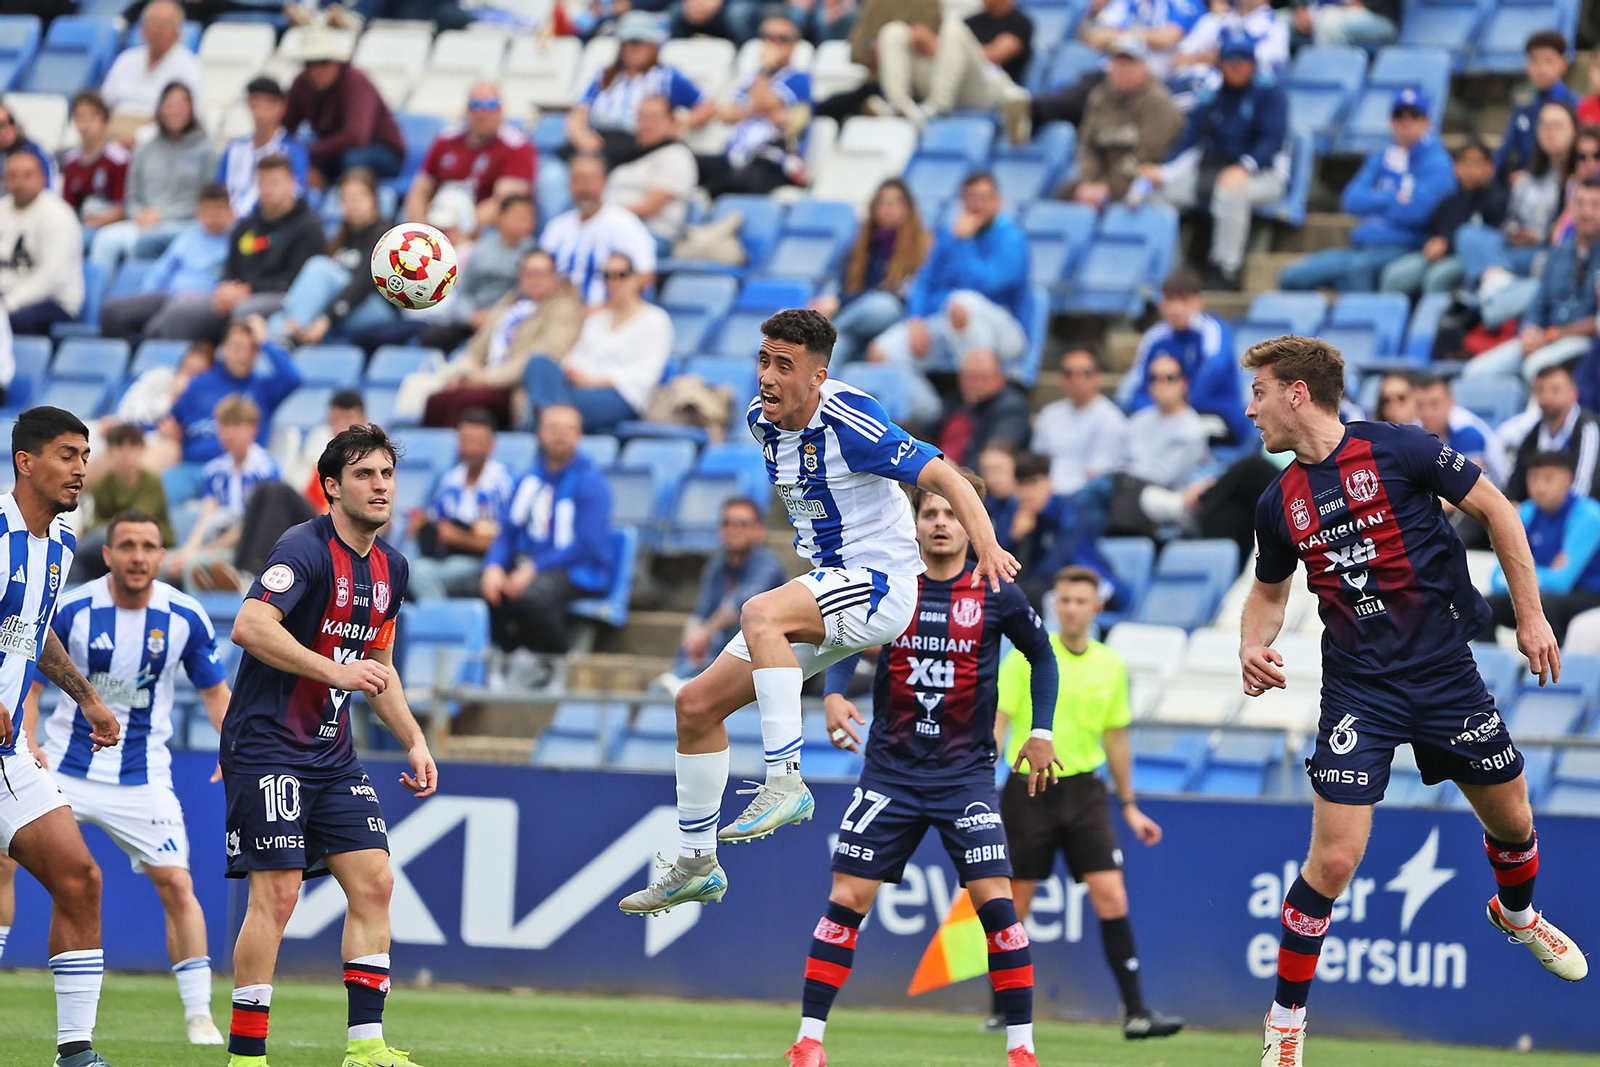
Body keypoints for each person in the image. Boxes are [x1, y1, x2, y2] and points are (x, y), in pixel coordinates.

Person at [1239, 334, 1585, 1067]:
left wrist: (1529, 615)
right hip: (1360, 691)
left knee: (1514, 819)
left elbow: (1498, 508)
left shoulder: (1398, 449)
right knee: (1332, 861)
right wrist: (1251, 642)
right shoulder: (1279, 501)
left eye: (1260, 393)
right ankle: (1284, 1030)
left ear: (1296, 393)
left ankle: (1517, 914)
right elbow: (1269, 592)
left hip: (1444, 675)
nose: (1250, 411)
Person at [617, 309, 1019, 915]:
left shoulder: (851, 418)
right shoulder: (762, 422)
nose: (768, 377)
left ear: (818, 375)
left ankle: (785, 781)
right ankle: (696, 863)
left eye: (785, 366)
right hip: (832, 583)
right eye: (763, 360)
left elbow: (946, 476)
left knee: (760, 611)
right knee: (694, 705)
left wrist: (986, 543)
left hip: (884, 585)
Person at [792, 471, 1061, 1067]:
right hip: (890, 773)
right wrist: (836, 693)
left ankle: (1022, 1050)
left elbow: (1043, 657)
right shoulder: (890, 587)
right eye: (929, 513)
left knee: (997, 903)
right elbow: (842, 640)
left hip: (964, 776)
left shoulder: (997, 590)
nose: (940, 523)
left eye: (951, 513)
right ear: (913, 524)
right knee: (847, 897)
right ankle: (808, 1040)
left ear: (971, 523)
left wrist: (1039, 731)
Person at [221, 423, 437, 1067]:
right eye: (364, 474)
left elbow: (378, 667)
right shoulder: (304, 547)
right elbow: (249, 625)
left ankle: (365, 1047)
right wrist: (333, 670)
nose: (379, 486)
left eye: (386, 474)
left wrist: (415, 740)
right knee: (279, 894)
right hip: (268, 746)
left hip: (331, 750)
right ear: (332, 487)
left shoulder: (392, 567)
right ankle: (247, 1054)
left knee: (374, 882)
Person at [4, 509, 230, 1045]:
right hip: (64, 766)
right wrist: (29, 741)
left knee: (177, 883)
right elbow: (31, 681)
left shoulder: (186, 616)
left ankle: (199, 1015)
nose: (137, 556)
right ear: (107, 554)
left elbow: (216, 692)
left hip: (143, 774)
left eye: (148, 546)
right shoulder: (75, 606)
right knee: (6, 862)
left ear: (161, 555)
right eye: (126, 545)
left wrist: (234, 747)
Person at [987, 565, 1182, 1041]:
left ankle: (1136, 1012)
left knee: (1112, 896)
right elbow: (998, 724)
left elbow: (1117, 739)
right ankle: (1003, 1010)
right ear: (1055, 606)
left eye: (1081, 601)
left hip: (1085, 793)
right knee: (1015, 905)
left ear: (1097, 609)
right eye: (1065, 600)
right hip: (1029, 789)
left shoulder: (1110, 665)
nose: (1071, 608)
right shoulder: (1025, 657)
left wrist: (1130, 804)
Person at [0, 406, 124, 1067]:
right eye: (67, 454)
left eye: (84, 454)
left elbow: (27, 629)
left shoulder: (62, 544)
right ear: (26, 461)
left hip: (6, 757)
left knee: (79, 878)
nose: (81, 466)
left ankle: (74, 1051)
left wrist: (89, 697)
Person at [866, 171, 1029, 421]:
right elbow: (924, 281)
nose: (977, 204)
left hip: (1004, 332)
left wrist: (964, 243)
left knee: (961, 302)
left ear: (998, 202)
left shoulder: (1011, 238)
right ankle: (932, 414)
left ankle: (979, 402)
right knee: (882, 352)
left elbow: (985, 285)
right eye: (971, 197)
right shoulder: (948, 235)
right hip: (946, 321)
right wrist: (916, 319)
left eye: (984, 198)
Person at [1145, 30, 1288, 290]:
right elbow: (1189, 140)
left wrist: (1245, 167)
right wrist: (1162, 171)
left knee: (1230, 191)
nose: (1236, 66)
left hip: (1264, 174)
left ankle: (1225, 269)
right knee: (1158, 195)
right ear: (1220, 62)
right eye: (1230, 60)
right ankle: (1171, 271)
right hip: (1212, 170)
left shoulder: (1270, 94)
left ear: (1253, 63)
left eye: (1242, 60)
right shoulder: (1212, 95)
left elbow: (1272, 142)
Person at [1278, 88, 1455, 292]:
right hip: (1361, 247)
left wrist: (1379, 198)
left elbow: (1417, 213)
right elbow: (1350, 200)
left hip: (1404, 248)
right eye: (1399, 115)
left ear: (1427, 122)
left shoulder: (1438, 162)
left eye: (1414, 116)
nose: (1405, 122)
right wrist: (1394, 197)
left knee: (1356, 271)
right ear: (1390, 121)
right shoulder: (1383, 156)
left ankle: (1364, 320)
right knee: (1292, 277)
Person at [481, 403, 614, 660]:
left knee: (533, 595)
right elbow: (507, 532)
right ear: (539, 433)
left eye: (568, 429)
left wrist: (534, 568)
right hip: (530, 565)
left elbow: (586, 545)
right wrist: (493, 566)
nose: (560, 435)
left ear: (579, 435)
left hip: (580, 570)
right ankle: (512, 655)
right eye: (553, 427)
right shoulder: (528, 479)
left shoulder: (591, 483)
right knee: (486, 587)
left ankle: (559, 663)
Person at [146, 155, 326, 341]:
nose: (267, 189)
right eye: (262, 182)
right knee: (180, 312)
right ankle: (180, 366)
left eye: (274, 183)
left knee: (245, 310)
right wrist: (226, 289)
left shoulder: (309, 228)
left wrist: (247, 290)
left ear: (292, 183)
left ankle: (233, 366)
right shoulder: (245, 227)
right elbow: (230, 271)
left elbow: (297, 282)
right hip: (239, 296)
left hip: (282, 299)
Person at [421, 249, 584, 431]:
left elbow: (545, 354)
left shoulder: (563, 308)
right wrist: (464, 374)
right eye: (528, 273)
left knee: (465, 401)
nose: (534, 279)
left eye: (540, 273)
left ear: (553, 277)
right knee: (437, 400)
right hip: (481, 377)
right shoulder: (510, 302)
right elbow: (477, 347)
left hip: (513, 387)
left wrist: (486, 379)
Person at [1463, 176, 1600, 381]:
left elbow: (1597, 323)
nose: (1586, 212)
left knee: (1536, 368)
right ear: (1570, 207)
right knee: (1474, 372)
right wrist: (1530, 330)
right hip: (1545, 337)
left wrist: (1551, 335)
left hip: (1581, 342)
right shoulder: (1558, 251)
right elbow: (1539, 301)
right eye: (1580, 203)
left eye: (1595, 205)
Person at [522, 252, 670, 434]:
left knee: (541, 405)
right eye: (606, 276)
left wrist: (595, 380)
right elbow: (575, 357)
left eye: (621, 275)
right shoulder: (597, 320)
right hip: (579, 388)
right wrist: (574, 372)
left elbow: (646, 373)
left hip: (621, 396)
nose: (613, 282)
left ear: (636, 279)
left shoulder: (655, 319)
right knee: (539, 363)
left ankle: (547, 424)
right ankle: (554, 423)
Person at [88, 82, 217, 277]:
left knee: (148, 243)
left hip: (183, 224)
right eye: (169, 104)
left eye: (181, 104)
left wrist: (162, 215)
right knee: (105, 240)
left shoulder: (206, 149)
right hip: (142, 222)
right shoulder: (145, 148)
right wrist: (139, 213)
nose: (175, 111)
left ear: (191, 109)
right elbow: (131, 196)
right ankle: (97, 303)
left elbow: (207, 201)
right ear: (160, 108)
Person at [661, 497, 787, 688]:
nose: (734, 529)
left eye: (743, 524)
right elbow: (700, 614)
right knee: (667, 684)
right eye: (727, 523)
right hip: (716, 659)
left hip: (757, 664)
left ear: (759, 532)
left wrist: (704, 634)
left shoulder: (767, 565)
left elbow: (741, 605)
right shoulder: (717, 567)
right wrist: (692, 638)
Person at [564, 12, 712, 169]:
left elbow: (707, 105)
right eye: (629, 42)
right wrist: (582, 137)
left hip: (638, 144)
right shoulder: (605, 75)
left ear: (653, 46)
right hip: (599, 139)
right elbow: (579, 112)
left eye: (641, 42)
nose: (634, 48)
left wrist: (678, 126)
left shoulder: (666, 76)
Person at [1482, 452, 1600, 644]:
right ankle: (1492, 670)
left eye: (1548, 479)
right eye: (1534, 478)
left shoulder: (1589, 515)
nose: (1540, 487)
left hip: (1589, 594)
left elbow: (1562, 583)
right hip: (1541, 595)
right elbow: (1497, 578)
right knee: (1482, 607)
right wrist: (1545, 574)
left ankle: (1554, 670)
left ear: (1567, 481)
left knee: (1546, 606)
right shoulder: (1526, 512)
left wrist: (1521, 575)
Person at [268, 167, 394, 346]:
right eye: (347, 198)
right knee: (274, 321)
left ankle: (290, 332)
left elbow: (363, 284)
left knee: (319, 267)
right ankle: (279, 340)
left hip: (374, 309)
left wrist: (326, 319)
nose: (353, 204)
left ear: (374, 199)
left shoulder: (385, 235)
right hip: (339, 309)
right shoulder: (341, 239)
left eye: (360, 197)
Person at [1122, 270, 1247, 447]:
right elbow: (1139, 387)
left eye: (1184, 301)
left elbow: (1213, 371)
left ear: (1198, 302)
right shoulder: (1154, 337)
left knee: (1178, 432)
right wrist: (1154, 412)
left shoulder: (1213, 330)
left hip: (1216, 415)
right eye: (1169, 300)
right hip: (1164, 416)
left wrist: (1178, 409)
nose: (1176, 308)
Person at [98, 182, 233, 345]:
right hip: (169, 295)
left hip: (199, 303)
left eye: (218, 211)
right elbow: (162, 270)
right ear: (198, 213)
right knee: (111, 312)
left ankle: (145, 359)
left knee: (156, 328)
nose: (213, 218)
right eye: (207, 211)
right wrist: (148, 297)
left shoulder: (237, 241)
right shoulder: (190, 236)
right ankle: (130, 359)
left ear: (230, 212)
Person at [812, 178, 930, 366]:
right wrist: (838, 300)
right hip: (858, 324)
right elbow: (845, 286)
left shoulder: (922, 246)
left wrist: (840, 303)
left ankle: (817, 332)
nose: (889, 208)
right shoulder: (861, 246)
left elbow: (906, 294)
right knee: (833, 349)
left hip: (896, 320)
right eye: (882, 202)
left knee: (883, 306)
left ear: (908, 207)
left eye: (896, 202)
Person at [168, 396, 280, 591]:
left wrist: (196, 553)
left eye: (236, 426)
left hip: (246, 547)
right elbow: (206, 516)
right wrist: (188, 549)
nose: (228, 434)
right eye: (223, 426)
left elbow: (247, 528)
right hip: (215, 539)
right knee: (164, 564)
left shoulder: (264, 469)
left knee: (192, 566)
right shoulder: (215, 470)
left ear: (252, 429)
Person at [874, 0, 1033, 134]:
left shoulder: (1019, 22)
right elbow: (952, 58)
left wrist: (933, 43)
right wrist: (925, 44)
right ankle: (899, 105)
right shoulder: (971, 20)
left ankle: (938, 107)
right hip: (953, 82)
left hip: (987, 87)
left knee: (953, 29)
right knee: (894, 31)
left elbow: (994, 56)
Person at [407, 410, 517, 601]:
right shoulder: (448, 481)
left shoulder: (504, 484)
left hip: (482, 561)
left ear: (491, 445)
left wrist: (457, 537)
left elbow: (506, 540)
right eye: (466, 440)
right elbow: (432, 524)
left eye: (478, 441)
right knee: (399, 566)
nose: (471, 448)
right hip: (443, 556)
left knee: (422, 573)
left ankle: (440, 628)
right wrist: (421, 528)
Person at [697, 14, 810, 197]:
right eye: (767, 37)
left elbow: (763, 102)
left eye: (782, 39)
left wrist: (766, 68)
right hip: (737, 154)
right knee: (691, 165)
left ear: (794, 45)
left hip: (774, 160)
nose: (773, 44)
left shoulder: (799, 78)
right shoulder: (751, 78)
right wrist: (760, 109)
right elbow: (727, 115)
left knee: (740, 180)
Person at [163, 316, 302, 464]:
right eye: (237, 347)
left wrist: (264, 341)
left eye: (252, 348)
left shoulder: (263, 389)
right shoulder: (199, 383)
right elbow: (169, 422)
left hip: (240, 469)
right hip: (193, 467)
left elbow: (293, 379)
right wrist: (169, 431)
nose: (244, 355)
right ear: (224, 348)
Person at [1065, 36, 1184, 208]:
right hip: (1101, 176)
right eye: (1116, 62)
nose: (1121, 69)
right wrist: (1088, 182)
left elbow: (1147, 154)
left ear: (1143, 66)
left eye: (1128, 63)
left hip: (1143, 178)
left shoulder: (1159, 103)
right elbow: (1088, 146)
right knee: (1064, 194)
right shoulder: (1099, 96)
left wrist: (1107, 186)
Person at [1378, 140, 1507, 297]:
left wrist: (1447, 245)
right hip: (1435, 256)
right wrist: (1431, 244)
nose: (1470, 169)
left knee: (1437, 278)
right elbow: (1432, 229)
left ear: (1490, 167)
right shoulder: (1449, 200)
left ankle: (1433, 321)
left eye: (1476, 162)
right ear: (1455, 167)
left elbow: (1491, 237)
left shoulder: (1497, 200)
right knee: (1393, 275)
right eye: (1464, 162)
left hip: (1469, 259)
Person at [404, 81, 536, 233]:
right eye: (475, 105)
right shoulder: (446, 139)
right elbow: (420, 190)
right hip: (438, 214)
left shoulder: (517, 146)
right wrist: (421, 231)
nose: (482, 113)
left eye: (490, 105)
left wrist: (461, 230)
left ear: (501, 109)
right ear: (467, 109)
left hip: (481, 228)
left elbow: (504, 203)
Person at [417, 192, 537, 356]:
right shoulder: (480, 250)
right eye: (518, 216)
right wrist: (471, 316)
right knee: (432, 337)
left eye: (528, 217)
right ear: (500, 217)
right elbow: (463, 291)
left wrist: (496, 317)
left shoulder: (533, 255)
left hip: (510, 320)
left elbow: (530, 296)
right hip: (475, 318)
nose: (524, 222)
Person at [285, 30, 407, 186]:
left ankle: (344, 204)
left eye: (323, 62)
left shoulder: (355, 81)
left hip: (383, 152)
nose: (316, 70)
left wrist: (309, 154)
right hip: (336, 150)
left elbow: (356, 136)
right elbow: (286, 123)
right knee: (286, 158)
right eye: (309, 64)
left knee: (352, 159)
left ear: (337, 62)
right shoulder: (302, 83)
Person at [1110, 354, 1211, 534]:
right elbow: (1118, 461)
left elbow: (1164, 477)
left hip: (1162, 496)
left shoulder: (1191, 427)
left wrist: (1126, 476)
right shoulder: (1138, 420)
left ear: (1184, 383)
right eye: (1154, 378)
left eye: (1169, 378)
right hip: (1124, 491)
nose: (1161, 384)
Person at [539, 154, 657, 306]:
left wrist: (606, 310)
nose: (584, 186)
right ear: (568, 183)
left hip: (603, 317)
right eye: (578, 179)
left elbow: (645, 276)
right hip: (555, 313)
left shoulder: (624, 224)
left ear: (605, 182)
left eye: (591, 179)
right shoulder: (556, 227)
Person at [75, 423, 174, 581]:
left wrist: (95, 532)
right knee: (79, 555)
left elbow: (138, 520)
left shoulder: (151, 481)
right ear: (109, 451)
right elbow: (96, 520)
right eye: (119, 446)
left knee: (89, 543)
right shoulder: (103, 484)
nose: (125, 454)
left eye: (132, 446)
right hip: (111, 546)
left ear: (142, 449)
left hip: (151, 543)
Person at [0, 150, 84, 335]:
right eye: (12, 176)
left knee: (9, 323)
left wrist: (11, 302)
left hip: (52, 302)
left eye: (27, 175)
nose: (19, 182)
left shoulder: (57, 215)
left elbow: (53, 277)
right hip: (6, 296)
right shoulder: (2, 209)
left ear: (42, 178)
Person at [605, 94, 698, 251]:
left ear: (672, 121)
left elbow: (648, 208)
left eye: (653, 118)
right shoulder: (630, 156)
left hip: (650, 234)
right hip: (613, 228)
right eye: (641, 117)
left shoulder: (676, 156)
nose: (646, 124)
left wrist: (600, 213)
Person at [99, 0, 202, 139]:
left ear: (178, 32)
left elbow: (187, 115)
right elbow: (104, 102)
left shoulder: (189, 65)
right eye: (152, 23)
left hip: (160, 135)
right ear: (142, 29)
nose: (156, 30)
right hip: (114, 129)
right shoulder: (126, 59)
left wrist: (138, 138)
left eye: (163, 25)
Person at [1032, 348, 1128, 496]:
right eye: (1068, 373)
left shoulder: (1111, 419)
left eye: (1085, 373)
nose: (1077, 379)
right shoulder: (1049, 414)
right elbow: (1038, 461)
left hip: (1084, 496)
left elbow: (1098, 474)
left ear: (1098, 377)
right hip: (1045, 493)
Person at [1505, 362, 1600, 502]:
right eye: (1540, 390)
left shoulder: (1588, 428)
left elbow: (1584, 490)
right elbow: (1516, 486)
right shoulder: (1533, 433)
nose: (1547, 397)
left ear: (1573, 393)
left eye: (1555, 390)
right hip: (1540, 515)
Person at [218, 77, 311, 217]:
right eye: (256, 104)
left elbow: (295, 193)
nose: (261, 112)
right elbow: (219, 188)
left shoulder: (292, 150)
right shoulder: (233, 149)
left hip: (268, 222)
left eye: (267, 105)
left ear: (281, 107)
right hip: (224, 224)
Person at [1497, 30, 1579, 181]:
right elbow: (1506, 153)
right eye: (1534, 61)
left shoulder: (1576, 105)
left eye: (1548, 61)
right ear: (1527, 65)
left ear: (1563, 63)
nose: (1541, 68)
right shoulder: (1523, 109)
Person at [933, 348, 1031, 468]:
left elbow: (997, 453)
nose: (976, 384)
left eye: (984, 377)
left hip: (971, 479)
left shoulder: (1011, 408)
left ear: (1001, 378)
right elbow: (930, 431)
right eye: (970, 377)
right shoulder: (954, 401)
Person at [1412, 372, 1507, 486]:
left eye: (1434, 404)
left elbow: (1473, 489)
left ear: (1450, 403)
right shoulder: (1413, 428)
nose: (1427, 413)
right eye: (1419, 405)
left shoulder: (1466, 430)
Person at [59, 92, 130, 232]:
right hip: (80, 223)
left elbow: (122, 208)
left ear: (104, 122)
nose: (84, 125)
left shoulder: (119, 159)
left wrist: (97, 222)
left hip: (110, 226)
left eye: (90, 119)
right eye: (79, 118)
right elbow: (68, 206)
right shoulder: (70, 160)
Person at [1082, 0, 1203, 78]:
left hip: (1156, 78)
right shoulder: (1127, 3)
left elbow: (1167, 38)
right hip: (1110, 74)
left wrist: (1118, 35)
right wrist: (1145, 36)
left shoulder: (1182, 3)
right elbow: (1096, 38)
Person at [1293, 0, 1399, 50]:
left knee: (1329, 22)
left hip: (1375, 14)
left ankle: (1328, 86)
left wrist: (1365, 4)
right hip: (1315, 10)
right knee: (1280, 22)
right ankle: (1278, 91)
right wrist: (1300, 7)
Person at [0, 101, 57, 189]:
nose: (8, 128)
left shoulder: (34, 151)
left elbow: (48, 188)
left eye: (11, 121)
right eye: (1, 125)